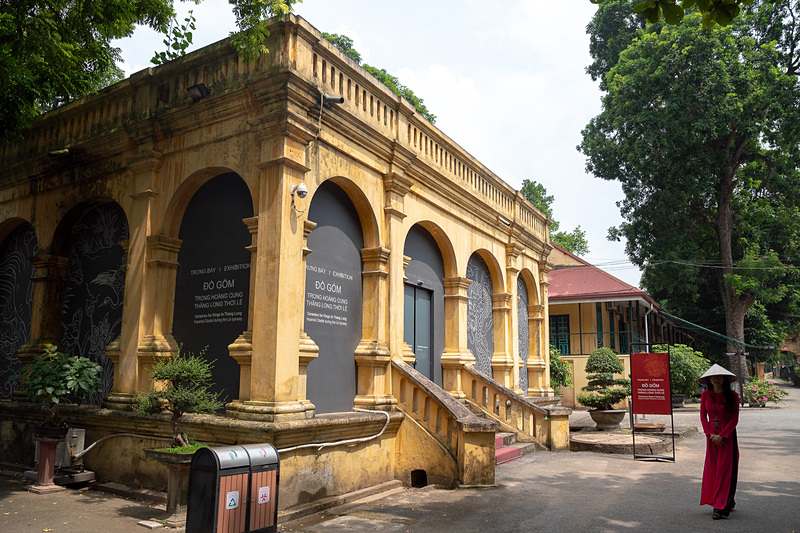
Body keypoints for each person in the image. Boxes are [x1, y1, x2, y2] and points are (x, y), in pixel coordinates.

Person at [699, 364, 740, 520]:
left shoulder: (733, 396)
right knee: (713, 469)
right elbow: (703, 417)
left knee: (726, 470)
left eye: (719, 377)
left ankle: (721, 507)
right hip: (711, 438)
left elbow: (734, 419)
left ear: (725, 379)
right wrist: (710, 434)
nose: (716, 379)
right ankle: (725, 500)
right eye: (713, 377)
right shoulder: (705, 395)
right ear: (709, 379)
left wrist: (722, 435)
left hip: (727, 437)